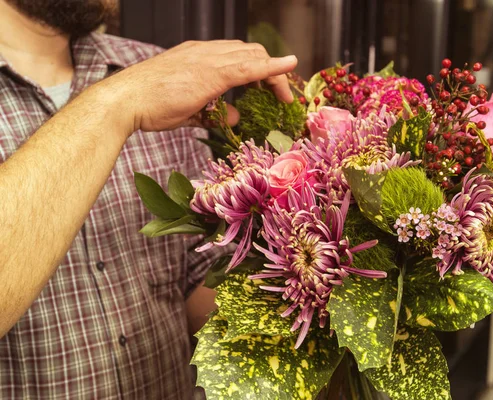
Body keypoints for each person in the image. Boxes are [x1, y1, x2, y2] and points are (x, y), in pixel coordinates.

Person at [0, 0, 297, 398]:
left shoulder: (158, 71)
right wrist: (119, 101)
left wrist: (310, 292)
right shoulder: (145, 84)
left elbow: (196, 279)